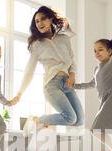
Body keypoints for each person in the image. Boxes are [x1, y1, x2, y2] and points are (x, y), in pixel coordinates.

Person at [14, 6, 84, 136]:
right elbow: (29, 70)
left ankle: (39, 122)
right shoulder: (37, 44)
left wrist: (73, 75)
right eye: (37, 21)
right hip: (52, 84)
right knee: (71, 118)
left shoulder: (64, 38)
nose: (40, 23)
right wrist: (20, 93)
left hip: (67, 83)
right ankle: (35, 120)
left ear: (51, 19)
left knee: (79, 120)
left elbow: (72, 60)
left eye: (43, 19)